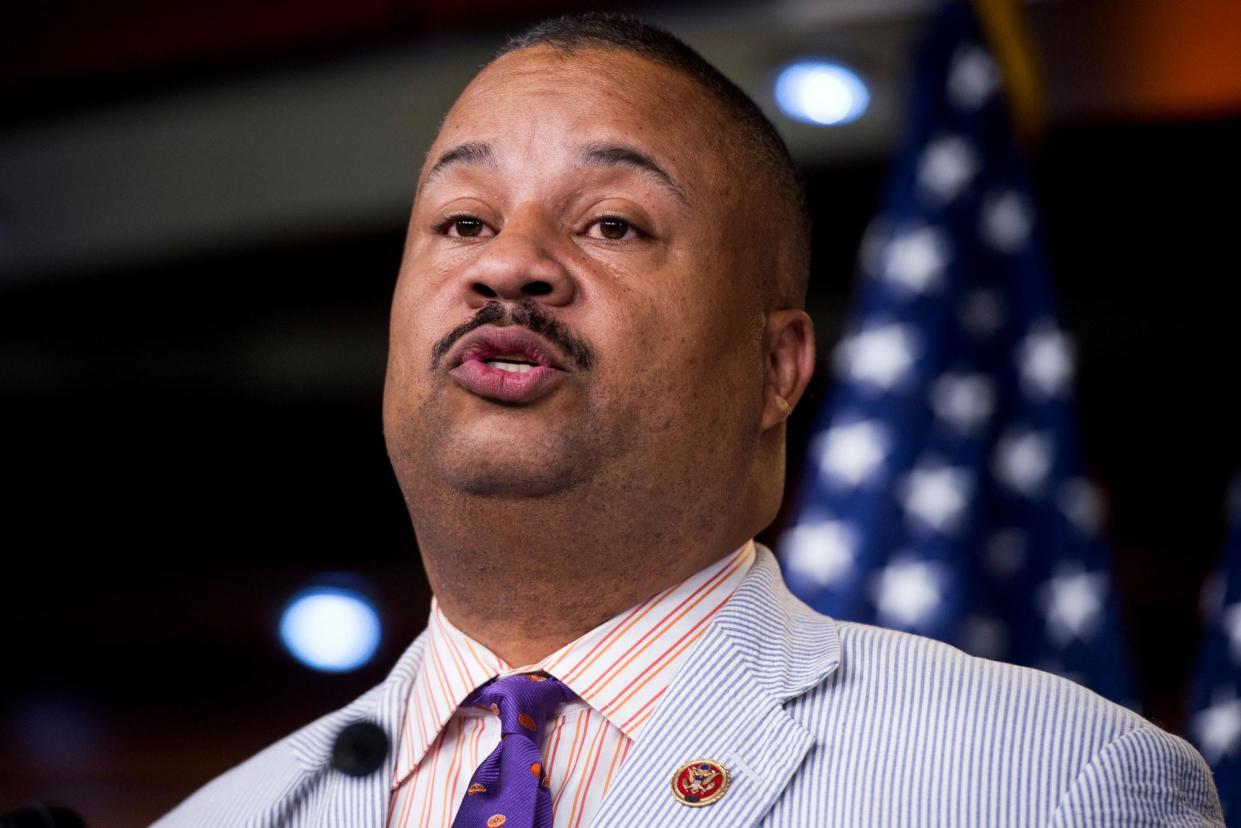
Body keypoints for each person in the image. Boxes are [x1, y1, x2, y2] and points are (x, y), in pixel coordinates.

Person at [156, 12, 1223, 828]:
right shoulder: (225, 818)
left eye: (611, 224)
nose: (507, 264)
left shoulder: (1049, 783)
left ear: (774, 367)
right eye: (462, 220)